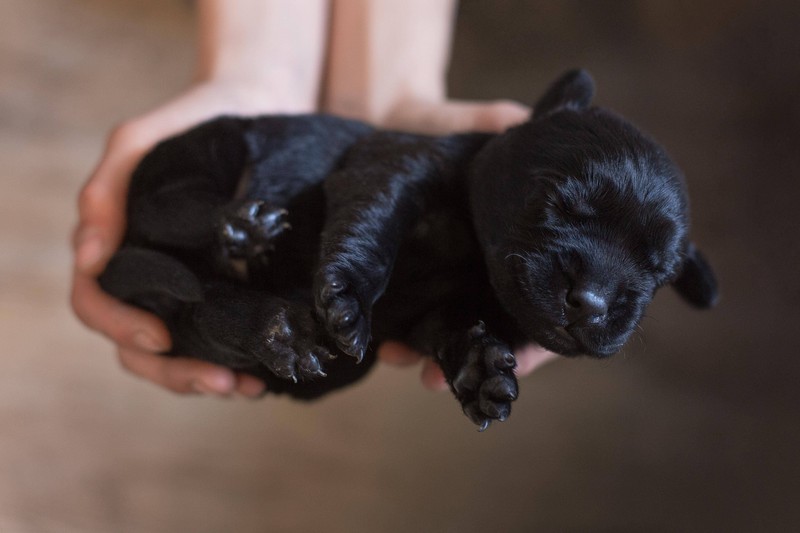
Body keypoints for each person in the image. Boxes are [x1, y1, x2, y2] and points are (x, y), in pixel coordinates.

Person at [71, 0, 556, 398]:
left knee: (321, 350)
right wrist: (258, 73)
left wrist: (386, 93)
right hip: (242, 205)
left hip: (270, 291)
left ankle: (257, 320)